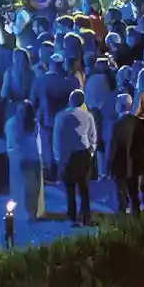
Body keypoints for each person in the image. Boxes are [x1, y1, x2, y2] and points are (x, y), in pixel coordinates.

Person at [53, 89, 99, 226]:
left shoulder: (61, 116)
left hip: (68, 153)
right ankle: (86, 216)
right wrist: (91, 150)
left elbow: (57, 137)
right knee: (84, 188)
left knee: (70, 188)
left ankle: (72, 217)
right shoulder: (88, 115)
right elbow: (93, 135)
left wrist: (57, 156)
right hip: (83, 153)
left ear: (69, 100)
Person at [4, 99, 46, 224]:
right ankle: (26, 214)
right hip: (23, 159)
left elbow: (39, 141)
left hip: (34, 158)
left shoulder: (34, 124)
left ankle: (31, 212)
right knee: (28, 188)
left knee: (35, 187)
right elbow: (13, 143)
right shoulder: (12, 124)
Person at [107, 93, 142, 215]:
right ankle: (137, 215)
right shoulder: (138, 122)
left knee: (121, 192)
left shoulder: (116, 125)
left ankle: (122, 215)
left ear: (120, 106)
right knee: (134, 192)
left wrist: (108, 165)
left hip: (120, 164)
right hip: (136, 163)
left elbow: (112, 148)